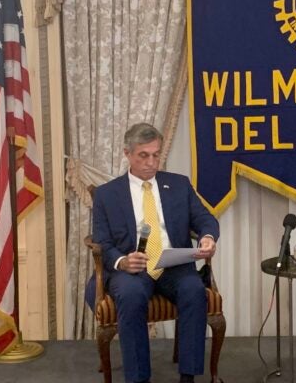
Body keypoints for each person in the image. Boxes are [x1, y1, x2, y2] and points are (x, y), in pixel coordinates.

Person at [90, 122, 220, 383]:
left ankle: (188, 376)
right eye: (143, 155)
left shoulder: (179, 185)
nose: (151, 162)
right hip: (134, 267)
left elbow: (206, 219)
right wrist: (122, 261)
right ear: (127, 154)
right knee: (130, 294)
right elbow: (102, 241)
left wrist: (207, 237)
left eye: (156, 154)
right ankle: (138, 378)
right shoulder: (107, 194)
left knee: (193, 290)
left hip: (173, 264)